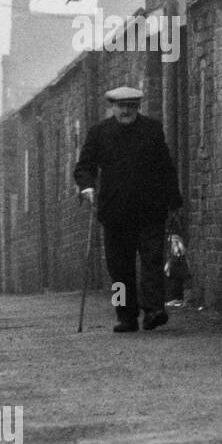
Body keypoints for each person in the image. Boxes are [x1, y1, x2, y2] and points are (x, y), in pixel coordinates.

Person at [74, 86, 184, 332]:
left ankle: (154, 310)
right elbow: (84, 167)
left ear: (138, 107)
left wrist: (174, 201)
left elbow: (165, 167)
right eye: (121, 106)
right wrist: (87, 187)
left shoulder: (152, 130)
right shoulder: (98, 133)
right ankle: (125, 316)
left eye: (131, 106)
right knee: (119, 269)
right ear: (112, 106)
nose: (126, 111)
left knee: (152, 262)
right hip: (115, 213)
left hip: (150, 209)